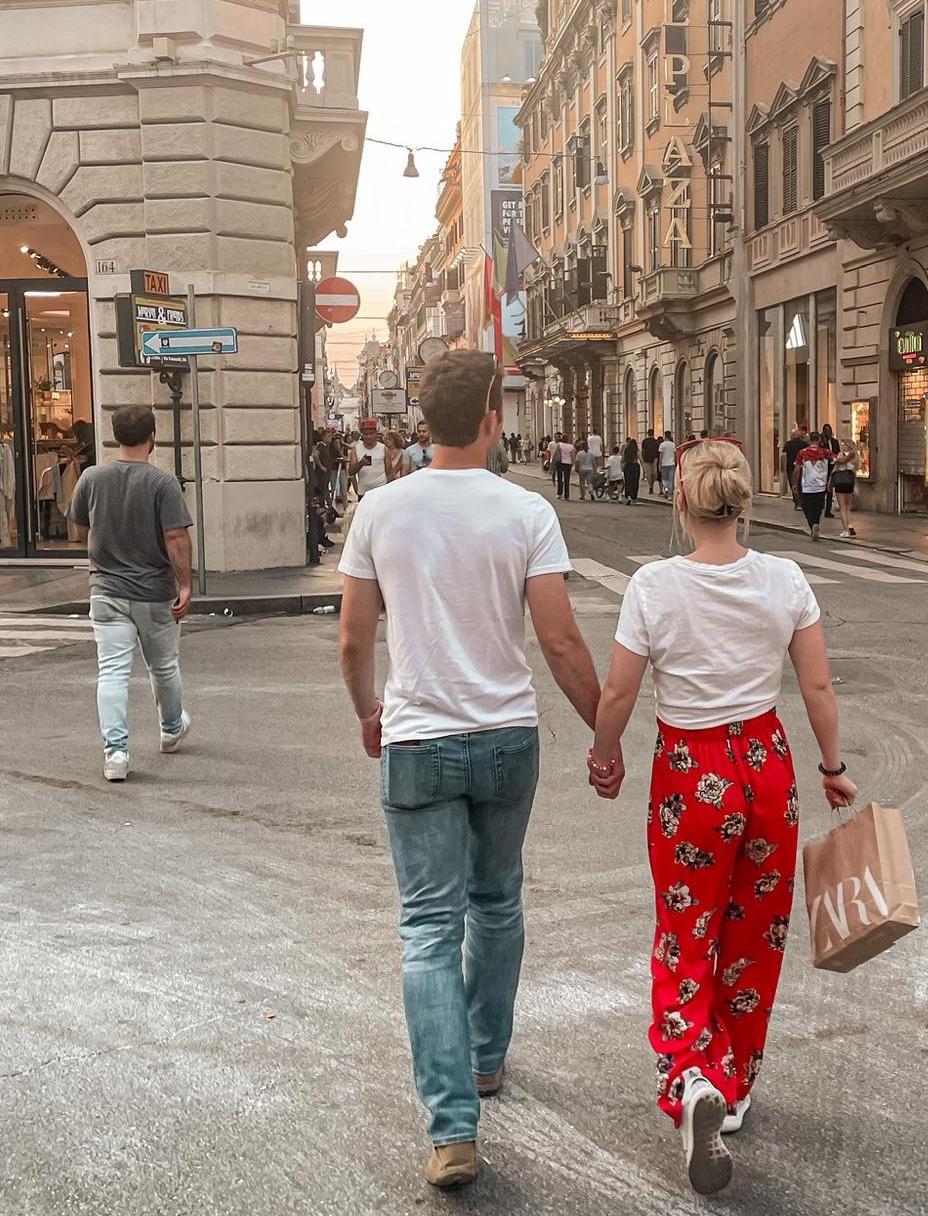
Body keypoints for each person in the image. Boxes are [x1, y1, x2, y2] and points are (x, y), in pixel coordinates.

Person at [338, 350, 601, 1191]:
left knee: (425, 927)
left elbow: (352, 638)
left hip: (416, 737)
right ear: (494, 416)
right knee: (496, 903)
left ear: (424, 418)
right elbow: (560, 642)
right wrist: (607, 732)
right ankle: (485, 1058)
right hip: (504, 739)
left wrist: (368, 712)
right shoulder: (525, 511)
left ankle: (452, 1126)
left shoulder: (380, 509)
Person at [586, 439, 856, 1196]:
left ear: (681, 503)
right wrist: (831, 769)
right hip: (766, 766)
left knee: (685, 933)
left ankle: (691, 1075)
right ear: (745, 503)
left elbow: (617, 693)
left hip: (690, 772)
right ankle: (731, 1084)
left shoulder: (654, 586)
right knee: (753, 931)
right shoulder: (784, 578)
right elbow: (818, 687)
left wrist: (605, 755)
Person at [67, 405, 193, 783]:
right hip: (153, 592)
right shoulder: (163, 483)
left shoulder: (91, 477)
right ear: (152, 437)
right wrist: (184, 584)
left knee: (112, 672)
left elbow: (78, 526)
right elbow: (175, 538)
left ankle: (116, 754)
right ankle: (171, 728)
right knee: (164, 664)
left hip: (105, 590)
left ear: (115, 437)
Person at [795, 431, 833, 541]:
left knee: (807, 508)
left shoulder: (802, 452)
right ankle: (816, 523)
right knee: (818, 507)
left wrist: (794, 483)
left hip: (807, 485)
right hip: (821, 485)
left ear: (809, 440)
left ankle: (812, 526)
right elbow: (837, 460)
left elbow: (797, 469)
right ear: (819, 440)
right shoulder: (825, 452)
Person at [350, 420, 387, 497]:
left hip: (381, 492)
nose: (368, 436)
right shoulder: (356, 449)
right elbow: (351, 472)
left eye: (371, 433)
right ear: (362, 435)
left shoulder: (383, 448)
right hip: (364, 493)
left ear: (376, 433)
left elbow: (390, 472)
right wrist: (361, 463)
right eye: (366, 434)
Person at [832, 433, 858, 539]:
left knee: (842, 507)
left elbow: (838, 465)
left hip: (840, 482)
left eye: (843, 443)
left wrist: (836, 459)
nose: (842, 445)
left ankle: (845, 530)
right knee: (848, 507)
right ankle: (850, 525)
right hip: (850, 482)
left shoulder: (842, 455)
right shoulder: (855, 457)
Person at [781, 425, 809, 512]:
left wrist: (783, 467)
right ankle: (802, 502)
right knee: (801, 484)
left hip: (791, 467)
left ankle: (797, 502)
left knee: (793, 484)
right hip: (802, 467)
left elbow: (783, 456)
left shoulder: (788, 444)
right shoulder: (805, 444)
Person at [820, 423, 841, 519]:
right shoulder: (821, 443)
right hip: (824, 468)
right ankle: (820, 507)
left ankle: (828, 510)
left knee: (830, 489)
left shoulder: (835, 442)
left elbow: (838, 452)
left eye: (829, 431)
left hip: (833, 467)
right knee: (824, 488)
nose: (828, 433)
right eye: (826, 431)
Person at [554, 432, 575, 500]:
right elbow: (572, 456)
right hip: (568, 463)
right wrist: (573, 464)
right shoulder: (571, 446)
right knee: (567, 480)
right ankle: (567, 495)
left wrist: (553, 461)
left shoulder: (559, 445)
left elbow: (555, 454)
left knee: (560, 479)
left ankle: (559, 493)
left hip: (560, 462)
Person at [659, 431, 678, 499]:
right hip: (672, 463)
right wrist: (676, 462)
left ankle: (666, 490)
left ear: (664, 436)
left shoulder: (662, 445)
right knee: (671, 479)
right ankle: (670, 495)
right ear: (670, 436)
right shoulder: (673, 444)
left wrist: (659, 464)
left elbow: (661, 456)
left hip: (664, 464)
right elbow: (675, 455)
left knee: (664, 479)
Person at [623, 437, 642, 506]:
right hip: (635, 466)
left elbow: (623, 459)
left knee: (628, 482)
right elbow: (641, 459)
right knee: (635, 482)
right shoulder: (637, 450)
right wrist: (644, 469)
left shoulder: (626, 449)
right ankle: (634, 497)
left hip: (627, 466)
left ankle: (628, 497)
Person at [642, 430, 661, 495]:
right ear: (653, 434)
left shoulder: (644, 441)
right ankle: (651, 486)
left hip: (646, 459)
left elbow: (643, 451)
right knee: (653, 474)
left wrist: (643, 459)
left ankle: (651, 487)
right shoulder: (656, 442)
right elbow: (658, 452)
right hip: (654, 459)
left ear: (648, 434)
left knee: (648, 474)